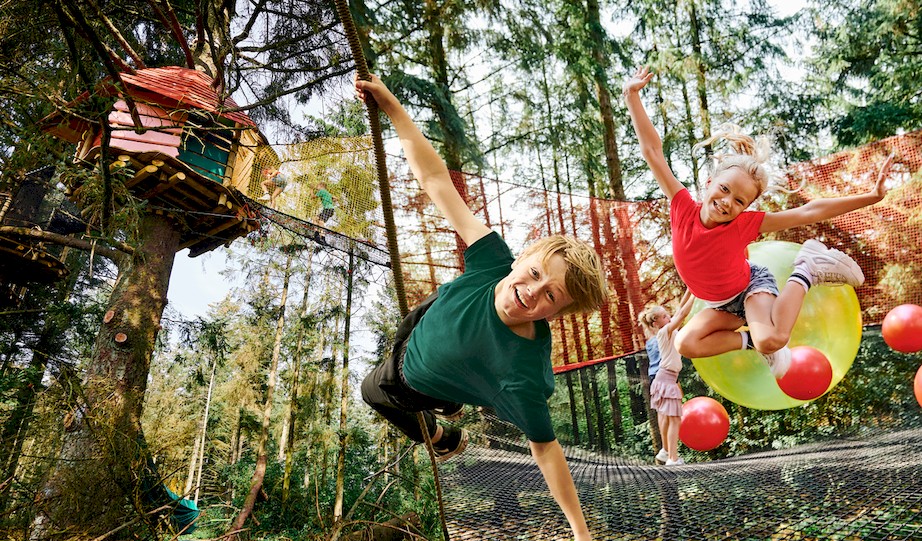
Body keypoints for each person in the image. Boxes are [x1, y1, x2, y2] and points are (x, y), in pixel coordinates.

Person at [356, 74, 608, 541]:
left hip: (416, 384)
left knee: (372, 392)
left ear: (557, 314)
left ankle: (443, 433)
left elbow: (547, 451)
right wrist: (392, 106)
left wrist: (580, 531)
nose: (532, 291)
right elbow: (435, 180)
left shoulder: (524, 373)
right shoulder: (493, 259)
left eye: (550, 295)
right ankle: (451, 405)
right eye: (534, 274)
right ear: (524, 257)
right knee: (425, 314)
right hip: (427, 322)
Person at [623, 66, 894, 379]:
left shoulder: (743, 225)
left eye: (739, 201)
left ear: (746, 207)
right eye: (724, 189)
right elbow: (653, 152)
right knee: (686, 343)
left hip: (751, 286)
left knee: (774, 340)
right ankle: (751, 341)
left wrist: (870, 197)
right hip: (722, 307)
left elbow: (809, 211)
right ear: (709, 182)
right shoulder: (682, 206)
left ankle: (807, 269)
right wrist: (632, 96)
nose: (727, 202)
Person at [639, 289, 695, 466]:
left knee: (669, 417)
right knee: (674, 419)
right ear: (656, 322)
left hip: (666, 379)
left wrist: (691, 289)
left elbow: (679, 311)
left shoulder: (668, 331)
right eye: (664, 316)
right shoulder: (664, 333)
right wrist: (698, 293)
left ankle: (666, 453)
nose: (668, 316)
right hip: (666, 379)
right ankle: (673, 458)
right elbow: (683, 313)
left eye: (667, 314)